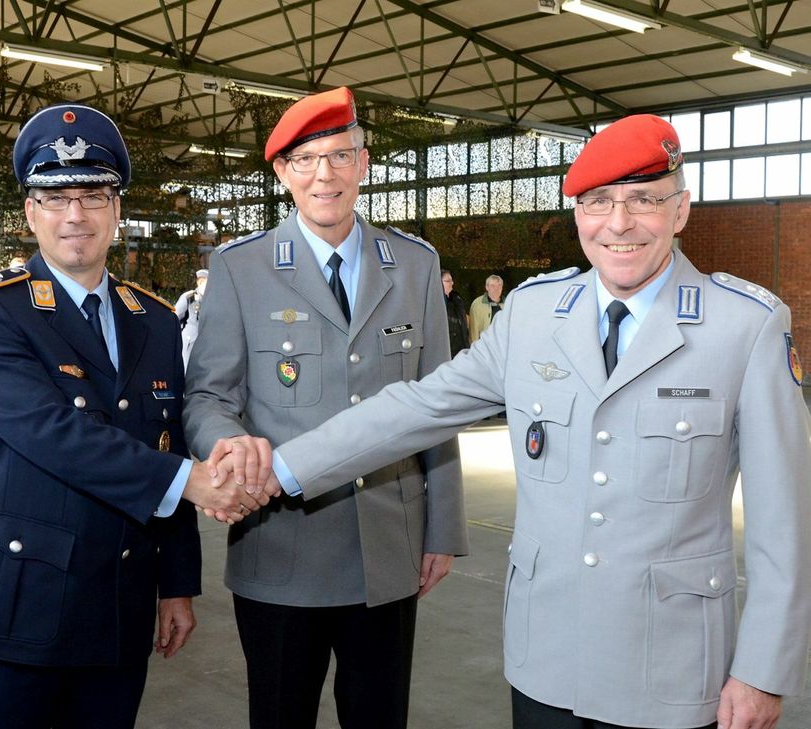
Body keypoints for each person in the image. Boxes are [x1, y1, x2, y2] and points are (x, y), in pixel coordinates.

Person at [225, 114, 811, 729]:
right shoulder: (533, 316)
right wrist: (282, 469)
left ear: (681, 209)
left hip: (673, 671)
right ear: (577, 214)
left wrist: (762, 671)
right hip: (546, 662)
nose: (619, 223)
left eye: (644, 200)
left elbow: (784, 525)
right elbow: (416, 408)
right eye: (598, 202)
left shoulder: (742, 327)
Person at [0, 103, 258, 729]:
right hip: (14, 614)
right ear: (30, 213)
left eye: (93, 194)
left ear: (118, 209)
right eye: (55, 198)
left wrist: (176, 583)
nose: (75, 215)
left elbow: (163, 440)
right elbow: (53, 434)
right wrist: (194, 482)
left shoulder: (156, 320)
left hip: (117, 611)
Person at [184, 87, 467, 729]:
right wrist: (228, 447)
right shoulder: (241, 268)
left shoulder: (416, 267)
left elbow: (438, 405)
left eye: (340, 156)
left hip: (386, 551)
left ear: (364, 164)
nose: (325, 175)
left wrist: (442, 531)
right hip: (282, 549)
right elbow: (208, 395)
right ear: (282, 172)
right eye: (306, 160)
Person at [173, 268, 207, 369]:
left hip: (204, 342)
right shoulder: (189, 297)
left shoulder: (210, 299)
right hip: (190, 341)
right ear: (200, 282)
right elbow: (175, 317)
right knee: (187, 369)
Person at [441, 268, 470, 356]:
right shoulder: (435, 303)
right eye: (448, 281)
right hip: (447, 352)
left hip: (461, 350)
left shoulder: (457, 299)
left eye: (452, 280)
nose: (452, 283)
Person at [469, 273, 504, 343]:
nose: (496, 288)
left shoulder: (508, 304)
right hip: (485, 347)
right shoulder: (477, 304)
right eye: (492, 285)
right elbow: (473, 330)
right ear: (487, 287)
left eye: (499, 285)